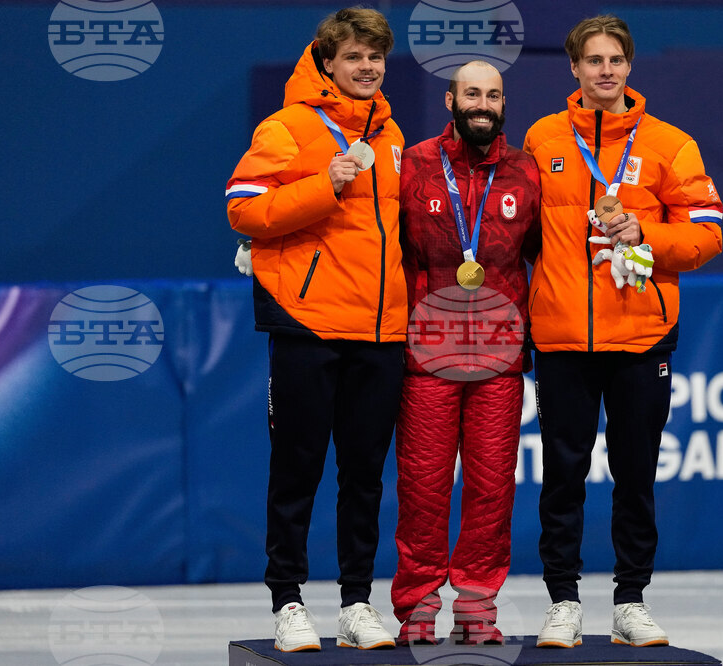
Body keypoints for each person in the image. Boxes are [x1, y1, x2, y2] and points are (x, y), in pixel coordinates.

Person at [521, 15, 723, 648]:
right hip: (562, 335)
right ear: (574, 68)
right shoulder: (542, 138)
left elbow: (708, 233)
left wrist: (647, 234)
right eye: (593, 60)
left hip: (640, 337)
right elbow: (520, 231)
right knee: (563, 475)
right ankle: (563, 602)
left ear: (630, 66)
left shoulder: (671, 144)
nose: (605, 70)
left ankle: (631, 600)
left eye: (615, 60)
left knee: (635, 474)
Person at [223, 7, 406, 653]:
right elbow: (242, 208)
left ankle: (357, 603)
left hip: (380, 330)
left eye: (375, 57)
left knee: (365, 476)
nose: (367, 67)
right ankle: (288, 601)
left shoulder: (391, 134)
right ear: (327, 62)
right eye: (354, 56)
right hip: (309, 323)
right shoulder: (288, 126)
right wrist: (322, 185)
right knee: (297, 469)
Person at [390, 60, 541, 646]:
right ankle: (418, 605)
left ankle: (478, 605)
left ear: (504, 104)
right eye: (472, 94)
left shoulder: (525, 171)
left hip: (499, 356)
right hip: (428, 354)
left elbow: (541, 252)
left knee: (492, 488)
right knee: (422, 488)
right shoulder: (414, 165)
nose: (483, 104)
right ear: (450, 101)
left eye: (493, 95)